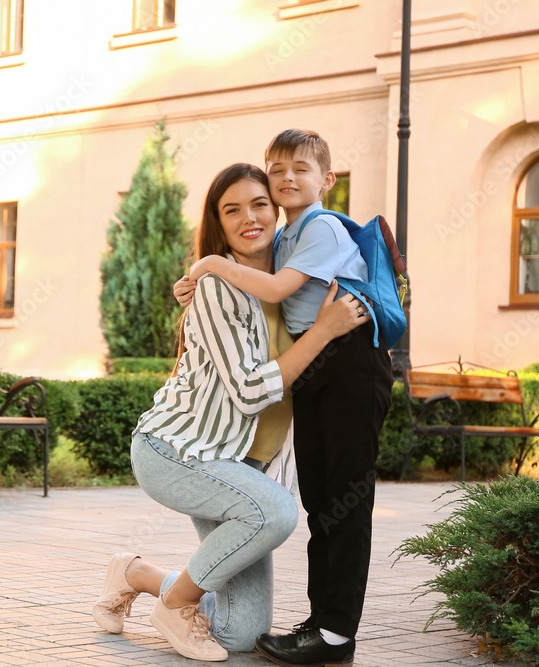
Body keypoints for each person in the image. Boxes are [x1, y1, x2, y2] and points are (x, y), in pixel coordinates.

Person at [92, 163, 364, 662]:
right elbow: (248, 389)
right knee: (277, 512)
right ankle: (175, 604)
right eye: (232, 210)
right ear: (219, 223)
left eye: (259, 204)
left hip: (237, 465)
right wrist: (325, 332)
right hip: (178, 450)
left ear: (277, 210)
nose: (249, 218)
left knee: (240, 633)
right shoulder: (219, 288)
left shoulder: (289, 280)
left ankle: (134, 573)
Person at [183, 130, 393, 667]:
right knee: (322, 501)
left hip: (350, 362)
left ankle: (337, 635)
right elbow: (252, 279)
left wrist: (207, 263)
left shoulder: (320, 227)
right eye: (276, 170)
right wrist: (192, 286)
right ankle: (321, 622)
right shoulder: (284, 237)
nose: (287, 178)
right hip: (317, 367)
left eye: (300, 168)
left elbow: (274, 291)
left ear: (327, 180)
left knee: (346, 502)